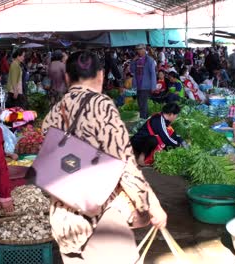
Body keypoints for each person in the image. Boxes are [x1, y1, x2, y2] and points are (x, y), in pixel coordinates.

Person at [42, 50, 167, 263]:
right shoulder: (103, 107)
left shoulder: (54, 113)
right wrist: (149, 207)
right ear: (101, 75)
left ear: (66, 77)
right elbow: (126, 166)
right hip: (100, 219)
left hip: (64, 219)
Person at [130, 44, 157, 119]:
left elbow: (153, 74)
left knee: (143, 104)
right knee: (141, 104)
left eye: (140, 49)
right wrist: (133, 61)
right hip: (137, 85)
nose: (138, 51)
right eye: (137, 50)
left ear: (144, 49)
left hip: (146, 85)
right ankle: (145, 120)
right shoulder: (136, 60)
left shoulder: (149, 60)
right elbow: (132, 70)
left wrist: (153, 86)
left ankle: (143, 121)